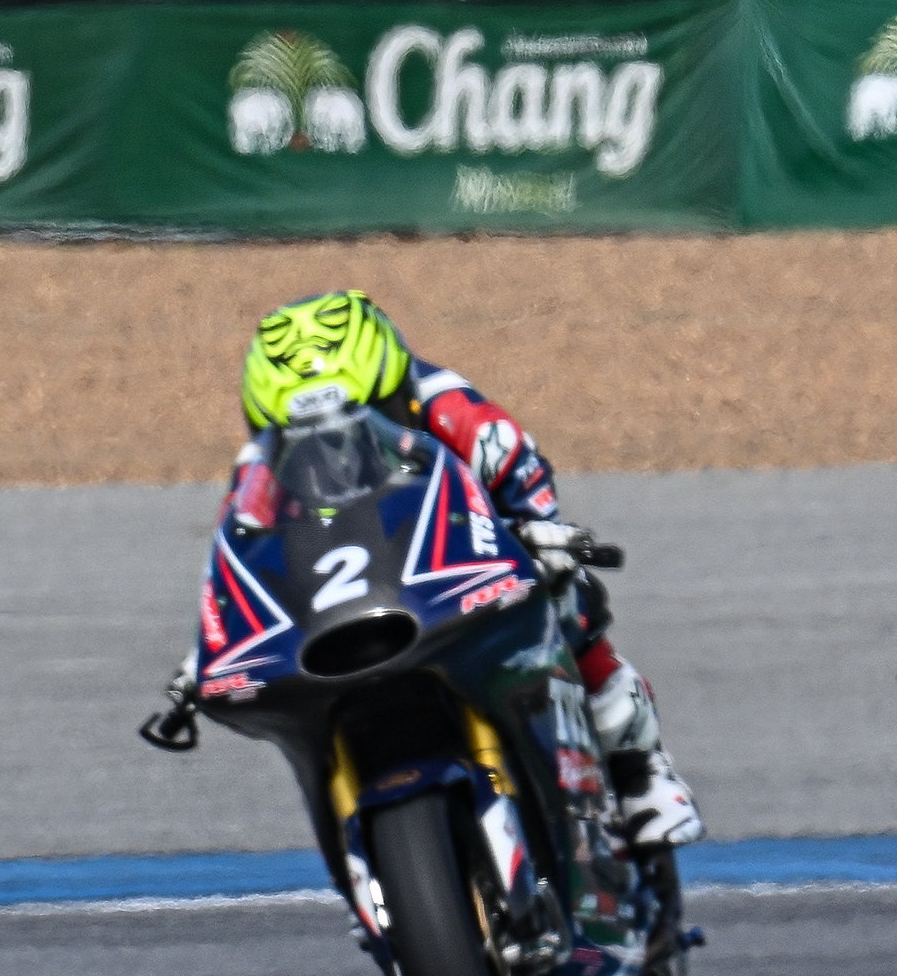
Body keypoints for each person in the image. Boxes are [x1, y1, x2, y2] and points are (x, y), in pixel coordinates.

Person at [233, 292, 704, 848]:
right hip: (360, 593)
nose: (335, 454)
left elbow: (527, 486)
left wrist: (540, 533)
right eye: (301, 440)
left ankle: (641, 769)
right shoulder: (258, 473)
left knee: (569, 592)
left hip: (463, 553)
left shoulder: (461, 416)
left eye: (364, 421)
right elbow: (247, 557)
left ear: (401, 396)